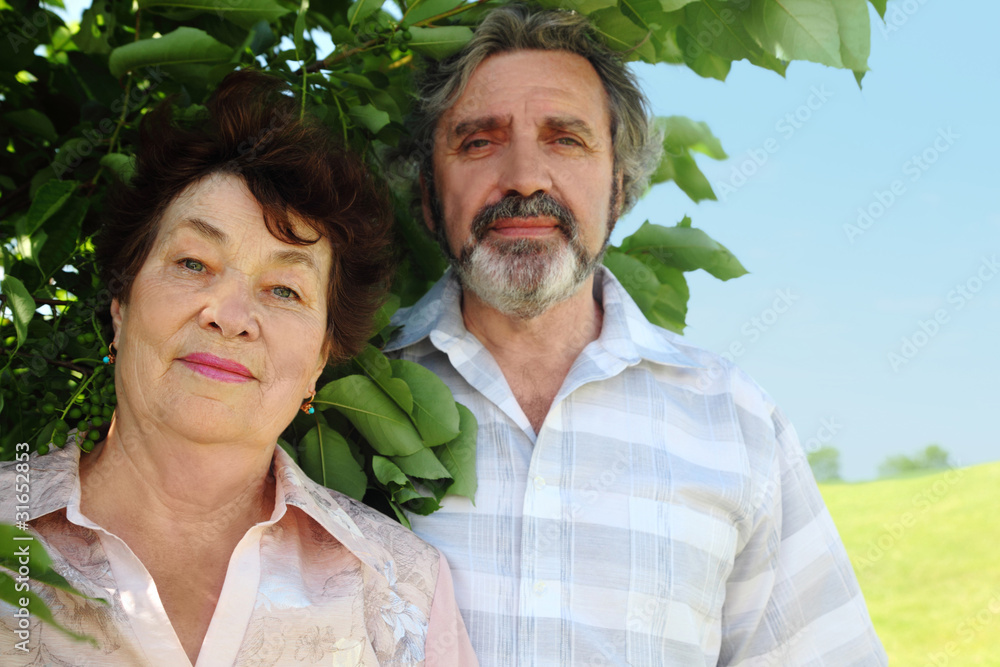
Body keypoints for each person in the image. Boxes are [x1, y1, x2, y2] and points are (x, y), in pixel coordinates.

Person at [387, 5, 887, 665]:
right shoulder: (337, 397)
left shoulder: (735, 420)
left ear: (618, 189)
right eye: (479, 141)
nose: (525, 177)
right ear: (427, 193)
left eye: (566, 140)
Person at [0, 71, 476, 666]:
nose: (229, 317)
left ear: (319, 361)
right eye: (193, 263)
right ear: (121, 307)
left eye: (284, 290)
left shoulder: (403, 587)